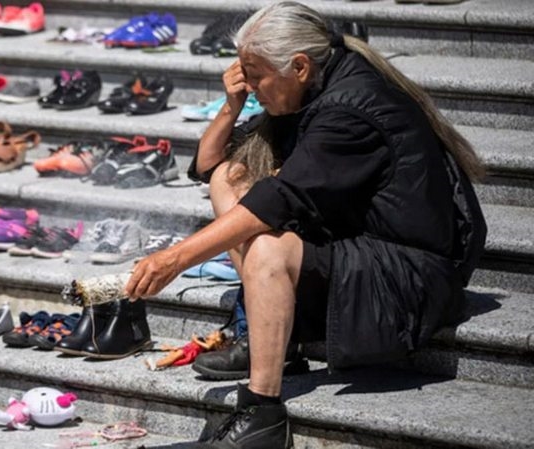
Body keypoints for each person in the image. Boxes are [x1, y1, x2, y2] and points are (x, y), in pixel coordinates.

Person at [124, 2, 487, 448]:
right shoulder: (315, 80)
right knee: (231, 177)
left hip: (410, 279)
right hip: (360, 247)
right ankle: (273, 338)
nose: (251, 87)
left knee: (268, 246)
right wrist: (231, 105)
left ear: (297, 66)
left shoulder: (349, 109)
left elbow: (277, 202)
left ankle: (263, 413)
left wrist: (175, 259)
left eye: (255, 76)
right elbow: (208, 167)